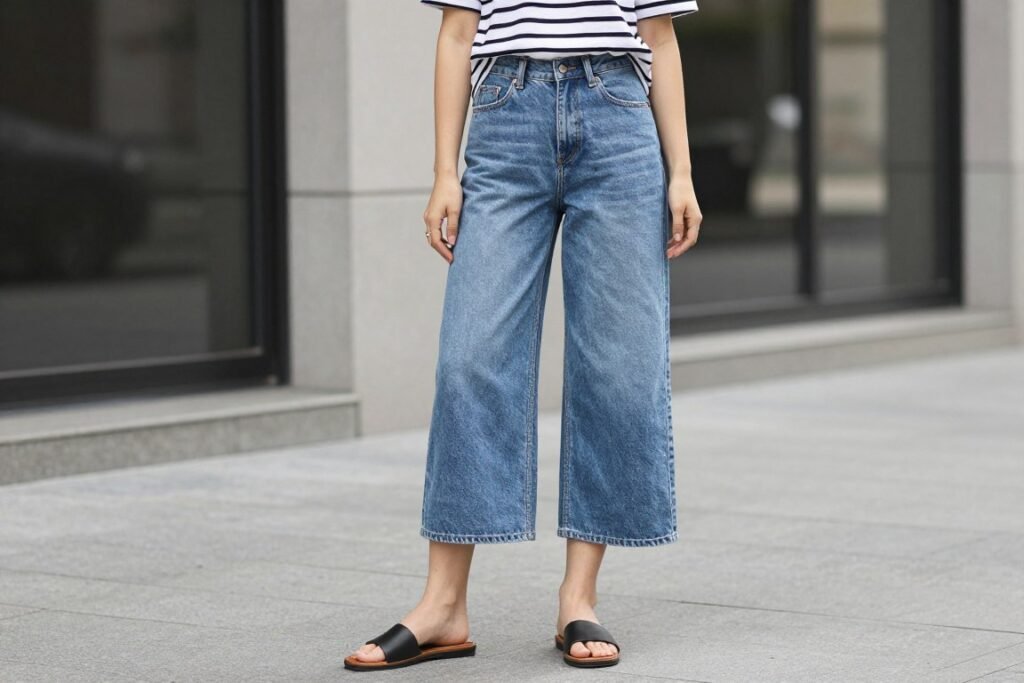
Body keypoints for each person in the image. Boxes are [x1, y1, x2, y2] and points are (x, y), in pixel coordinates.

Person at [344, 0, 702, 672]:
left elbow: (659, 37)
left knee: (618, 365)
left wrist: (681, 171)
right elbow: (456, 33)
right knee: (470, 360)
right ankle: (444, 604)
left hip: (619, 116)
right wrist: (444, 172)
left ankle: (578, 596)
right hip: (505, 116)